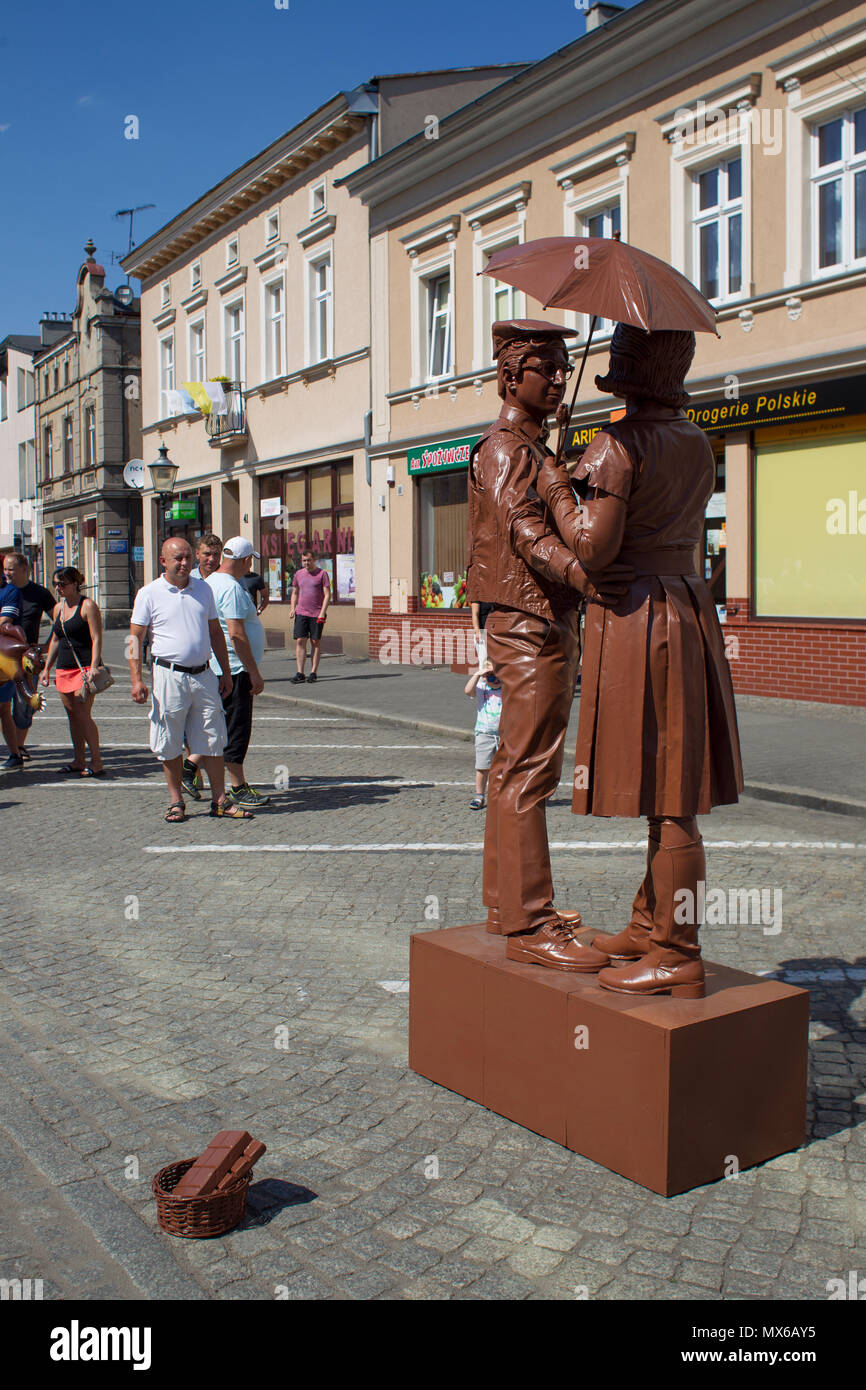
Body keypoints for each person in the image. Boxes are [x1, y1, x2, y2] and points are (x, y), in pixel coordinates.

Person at [536, 323, 743, 998]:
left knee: (673, 793)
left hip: (643, 615)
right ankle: (650, 923)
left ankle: (678, 950)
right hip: (684, 603)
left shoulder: (620, 444)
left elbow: (593, 547)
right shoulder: (695, 439)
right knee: (668, 784)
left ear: (633, 369)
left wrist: (556, 482)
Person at [466, 319, 630, 965]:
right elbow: (526, 535)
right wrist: (585, 577)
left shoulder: (531, 447)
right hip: (529, 621)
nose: (561, 378)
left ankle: (507, 902)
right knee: (531, 770)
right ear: (512, 376)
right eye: (547, 369)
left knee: (512, 765)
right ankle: (532, 925)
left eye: (564, 367)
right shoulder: (507, 448)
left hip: (538, 619)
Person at [129, 537, 251, 821]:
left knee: (212, 737)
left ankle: (220, 800)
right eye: (177, 558)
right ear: (163, 561)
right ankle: (176, 801)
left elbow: (215, 633)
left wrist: (225, 672)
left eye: (186, 557)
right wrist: (136, 679)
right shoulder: (149, 593)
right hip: (168, 675)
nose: (184, 563)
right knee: (169, 739)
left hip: (203, 674)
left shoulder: (203, 590)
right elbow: (134, 638)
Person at [186, 536, 269, 810]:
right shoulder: (230, 588)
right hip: (235, 669)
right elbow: (236, 633)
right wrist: (253, 671)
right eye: (250, 561)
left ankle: (195, 768)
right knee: (236, 729)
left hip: (219, 667)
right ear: (245, 560)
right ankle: (235, 786)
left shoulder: (210, 584)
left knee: (219, 725)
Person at [39, 567, 106, 777]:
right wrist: (46, 668)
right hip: (64, 668)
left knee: (83, 714)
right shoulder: (58, 608)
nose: (58, 588)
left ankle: (97, 762)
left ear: (75, 583)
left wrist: (94, 666)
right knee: (72, 716)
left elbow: (96, 638)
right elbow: (56, 639)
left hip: (84, 668)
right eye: (56, 584)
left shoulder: (88, 606)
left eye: (62, 584)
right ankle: (78, 760)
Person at [2, 552, 55, 759]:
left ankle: (19, 746)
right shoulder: (4, 591)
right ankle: (16, 750)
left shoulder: (39, 593)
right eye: (5, 568)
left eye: (11, 568)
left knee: (24, 706)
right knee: (4, 705)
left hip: (27, 657)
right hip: (4, 657)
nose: (7, 573)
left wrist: (48, 646)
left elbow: (58, 619)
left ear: (25, 569)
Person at [464, 659, 501, 810]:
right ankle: (479, 795)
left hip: (504, 734)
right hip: (484, 732)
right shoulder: (481, 687)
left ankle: (501, 795)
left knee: (503, 768)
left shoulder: (506, 688)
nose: (495, 680)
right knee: (482, 767)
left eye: (499, 676)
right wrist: (478, 674)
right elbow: (468, 691)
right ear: (485, 677)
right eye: (491, 676)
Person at [288, 550, 330, 683]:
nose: (306, 563)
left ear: (314, 560)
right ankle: (300, 672)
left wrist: (322, 612)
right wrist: (292, 608)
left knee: (315, 642)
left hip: (316, 613)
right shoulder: (299, 574)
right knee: (300, 641)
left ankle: (313, 672)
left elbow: (327, 594)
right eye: (304, 560)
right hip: (301, 612)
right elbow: (295, 592)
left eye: (309, 560)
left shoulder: (322, 574)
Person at [0, 570, 24, 769]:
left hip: (3, 660)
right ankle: (14, 753)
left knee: (3, 708)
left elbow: (4, 622)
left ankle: (15, 753)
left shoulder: (9, 591)